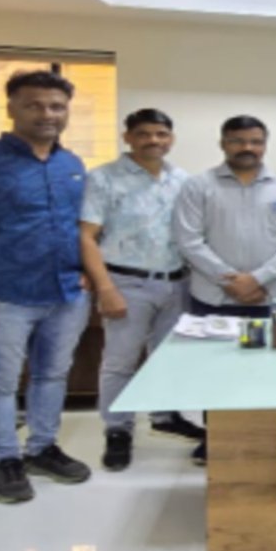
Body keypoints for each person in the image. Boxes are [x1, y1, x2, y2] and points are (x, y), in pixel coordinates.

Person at [0, 69, 93, 506]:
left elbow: (83, 226)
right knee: (0, 381)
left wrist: (88, 270)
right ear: (11, 107)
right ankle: (5, 459)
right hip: (4, 292)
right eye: (34, 105)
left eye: (56, 106)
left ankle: (42, 448)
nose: (47, 114)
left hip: (67, 291)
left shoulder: (71, 165)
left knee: (53, 374)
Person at [175, 115, 276, 464]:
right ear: (223, 143)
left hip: (271, 298)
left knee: (270, 370)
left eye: (255, 141)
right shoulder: (198, 186)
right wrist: (231, 280)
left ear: (265, 144)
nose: (247, 148)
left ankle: (266, 437)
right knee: (216, 372)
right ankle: (216, 437)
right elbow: (189, 240)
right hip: (214, 298)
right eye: (238, 141)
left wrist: (258, 279)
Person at [81, 108, 201, 473]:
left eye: (161, 134)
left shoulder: (183, 180)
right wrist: (105, 288)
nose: (153, 140)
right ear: (128, 137)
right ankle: (118, 429)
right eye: (144, 134)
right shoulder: (103, 178)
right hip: (127, 283)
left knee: (167, 357)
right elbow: (86, 236)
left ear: (171, 139)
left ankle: (164, 416)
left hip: (177, 282)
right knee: (120, 361)